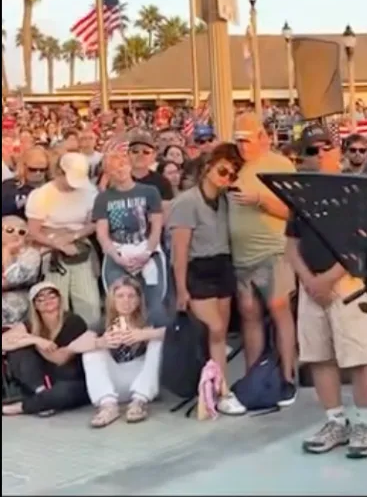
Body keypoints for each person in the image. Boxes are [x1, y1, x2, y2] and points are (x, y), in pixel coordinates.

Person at [284, 125, 367, 458]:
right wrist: (309, 280)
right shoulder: (299, 193)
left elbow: (362, 242)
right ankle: (335, 421)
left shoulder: (354, 189)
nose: (317, 155)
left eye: (324, 147)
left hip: (348, 284)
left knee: (359, 357)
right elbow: (291, 244)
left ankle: (365, 424)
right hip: (310, 287)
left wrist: (330, 278)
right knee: (319, 356)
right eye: (310, 150)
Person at [168, 143, 247, 415]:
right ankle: (212, 386)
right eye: (223, 170)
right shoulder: (186, 202)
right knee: (213, 328)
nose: (227, 177)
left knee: (220, 333)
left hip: (222, 265)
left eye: (232, 174)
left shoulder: (226, 201)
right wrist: (181, 289)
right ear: (207, 168)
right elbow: (179, 250)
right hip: (197, 268)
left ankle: (220, 389)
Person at [228, 113, 298, 406]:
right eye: (238, 140)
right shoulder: (235, 166)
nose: (242, 146)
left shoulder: (279, 165)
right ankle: (254, 379)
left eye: (247, 139)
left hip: (273, 252)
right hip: (242, 257)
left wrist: (260, 200)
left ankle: (287, 380)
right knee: (250, 316)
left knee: (279, 311)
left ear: (261, 137)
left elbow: (294, 211)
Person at [93, 146, 168, 327]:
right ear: (108, 172)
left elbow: (157, 226)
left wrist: (147, 252)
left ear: (129, 166)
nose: (120, 169)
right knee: (120, 306)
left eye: (123, 164)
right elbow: (102, 233)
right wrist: (116, 258)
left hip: (147, 249)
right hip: (117, 252)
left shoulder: (149, 192)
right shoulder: (103, 198)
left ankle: (156, 347)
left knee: (154, 304)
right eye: (114, 167)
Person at [24, 152, 101, 326]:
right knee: (57, 301)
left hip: (80, 246)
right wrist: (58, 244)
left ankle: (89, 337)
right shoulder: (41, 195)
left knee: (89, 303)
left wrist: (73, 236)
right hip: (51, 250)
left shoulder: (89, 192)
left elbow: (93, 223)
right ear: (59, 172)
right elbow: (34, 231)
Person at [80, 277, 165, 427]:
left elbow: (175, 333)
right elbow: (74, 345)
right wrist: (100, 342)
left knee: (156, 340)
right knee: (91, 350)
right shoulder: (103, 322)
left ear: (139, 299)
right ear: (112, 300)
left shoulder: (149, 319)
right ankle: (108, 406)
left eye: (131, 296)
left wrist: (145, 334)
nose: (126, 301)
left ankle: (139, 403)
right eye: (120, 296)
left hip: (141, 383)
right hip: (115, 385)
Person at [1, 281, 90, 416]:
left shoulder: (73, 321)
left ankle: (24, 406)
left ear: (59, 299)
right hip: (42, 379)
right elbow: (3, 342)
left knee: (65, 392)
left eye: (51, 296)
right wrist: (35, 339)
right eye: (41, 298)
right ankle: (42, 394)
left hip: (70, 380)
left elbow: (60, 359)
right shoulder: (31, 324)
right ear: (35, 305)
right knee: (17, 350)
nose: (47, 300)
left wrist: (31, 342)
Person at [1, 146, 49, 219]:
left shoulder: (51, 187)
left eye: (42, 169)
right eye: (33, 169)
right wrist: (26, 199)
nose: (38, 173)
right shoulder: (9, 185)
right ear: (23, 166)